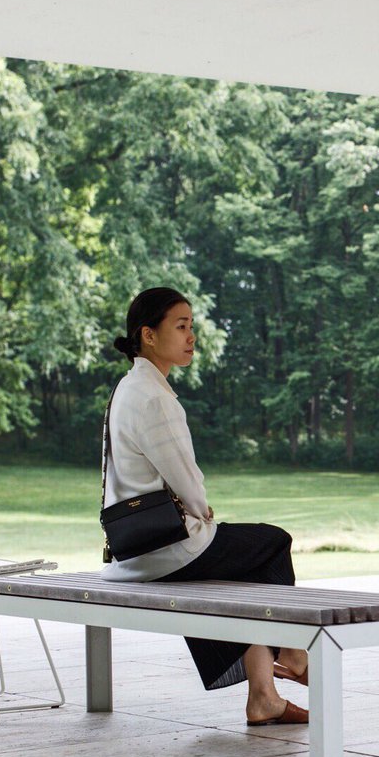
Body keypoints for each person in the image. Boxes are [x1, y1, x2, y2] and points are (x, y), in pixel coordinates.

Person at [102, 286, 309, 726]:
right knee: (273, 542)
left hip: (135, 547)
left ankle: (264, 698)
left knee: (243, 569)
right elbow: (185, 478)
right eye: (181, 326)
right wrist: (203, 510)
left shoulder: (128, 388)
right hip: (168, 547)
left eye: (191, 326)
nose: (191, 336)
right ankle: (292, 650)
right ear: (149, 335)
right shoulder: (155, 398)